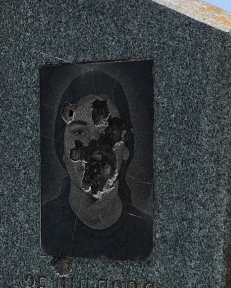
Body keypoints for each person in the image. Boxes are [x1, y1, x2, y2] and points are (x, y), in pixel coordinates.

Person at [41, 69, 153, 261]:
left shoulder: (147, 236)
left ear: (126, 148)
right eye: (79, 132)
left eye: (106, 132)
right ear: (62, 149)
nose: (94, 149)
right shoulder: (43, 227)